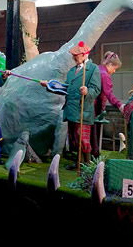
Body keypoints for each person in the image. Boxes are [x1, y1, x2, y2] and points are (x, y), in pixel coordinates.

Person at [41, 41, 101, 171]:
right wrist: (50, 85)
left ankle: (87, 164)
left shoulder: (93, 69)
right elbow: (65, 88)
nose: (73, 58)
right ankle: (78, 162)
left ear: (84, 55)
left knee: (83, 139)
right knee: (74, 139)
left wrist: (87, 91)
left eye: (76, 55)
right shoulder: (72, 71)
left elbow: (96, 89)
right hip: (71, 110)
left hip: (82, 110)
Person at [90, 51, 123, 158]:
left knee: (90, 131)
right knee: (95, 132)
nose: (113, 71)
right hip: (96, 106)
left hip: (89, 105)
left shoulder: (97, 69)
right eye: (114, 69)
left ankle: (91, 154)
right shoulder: (104, 75)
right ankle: (94, 155)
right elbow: (108, 93)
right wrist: (119, 105)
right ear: (110, 64)